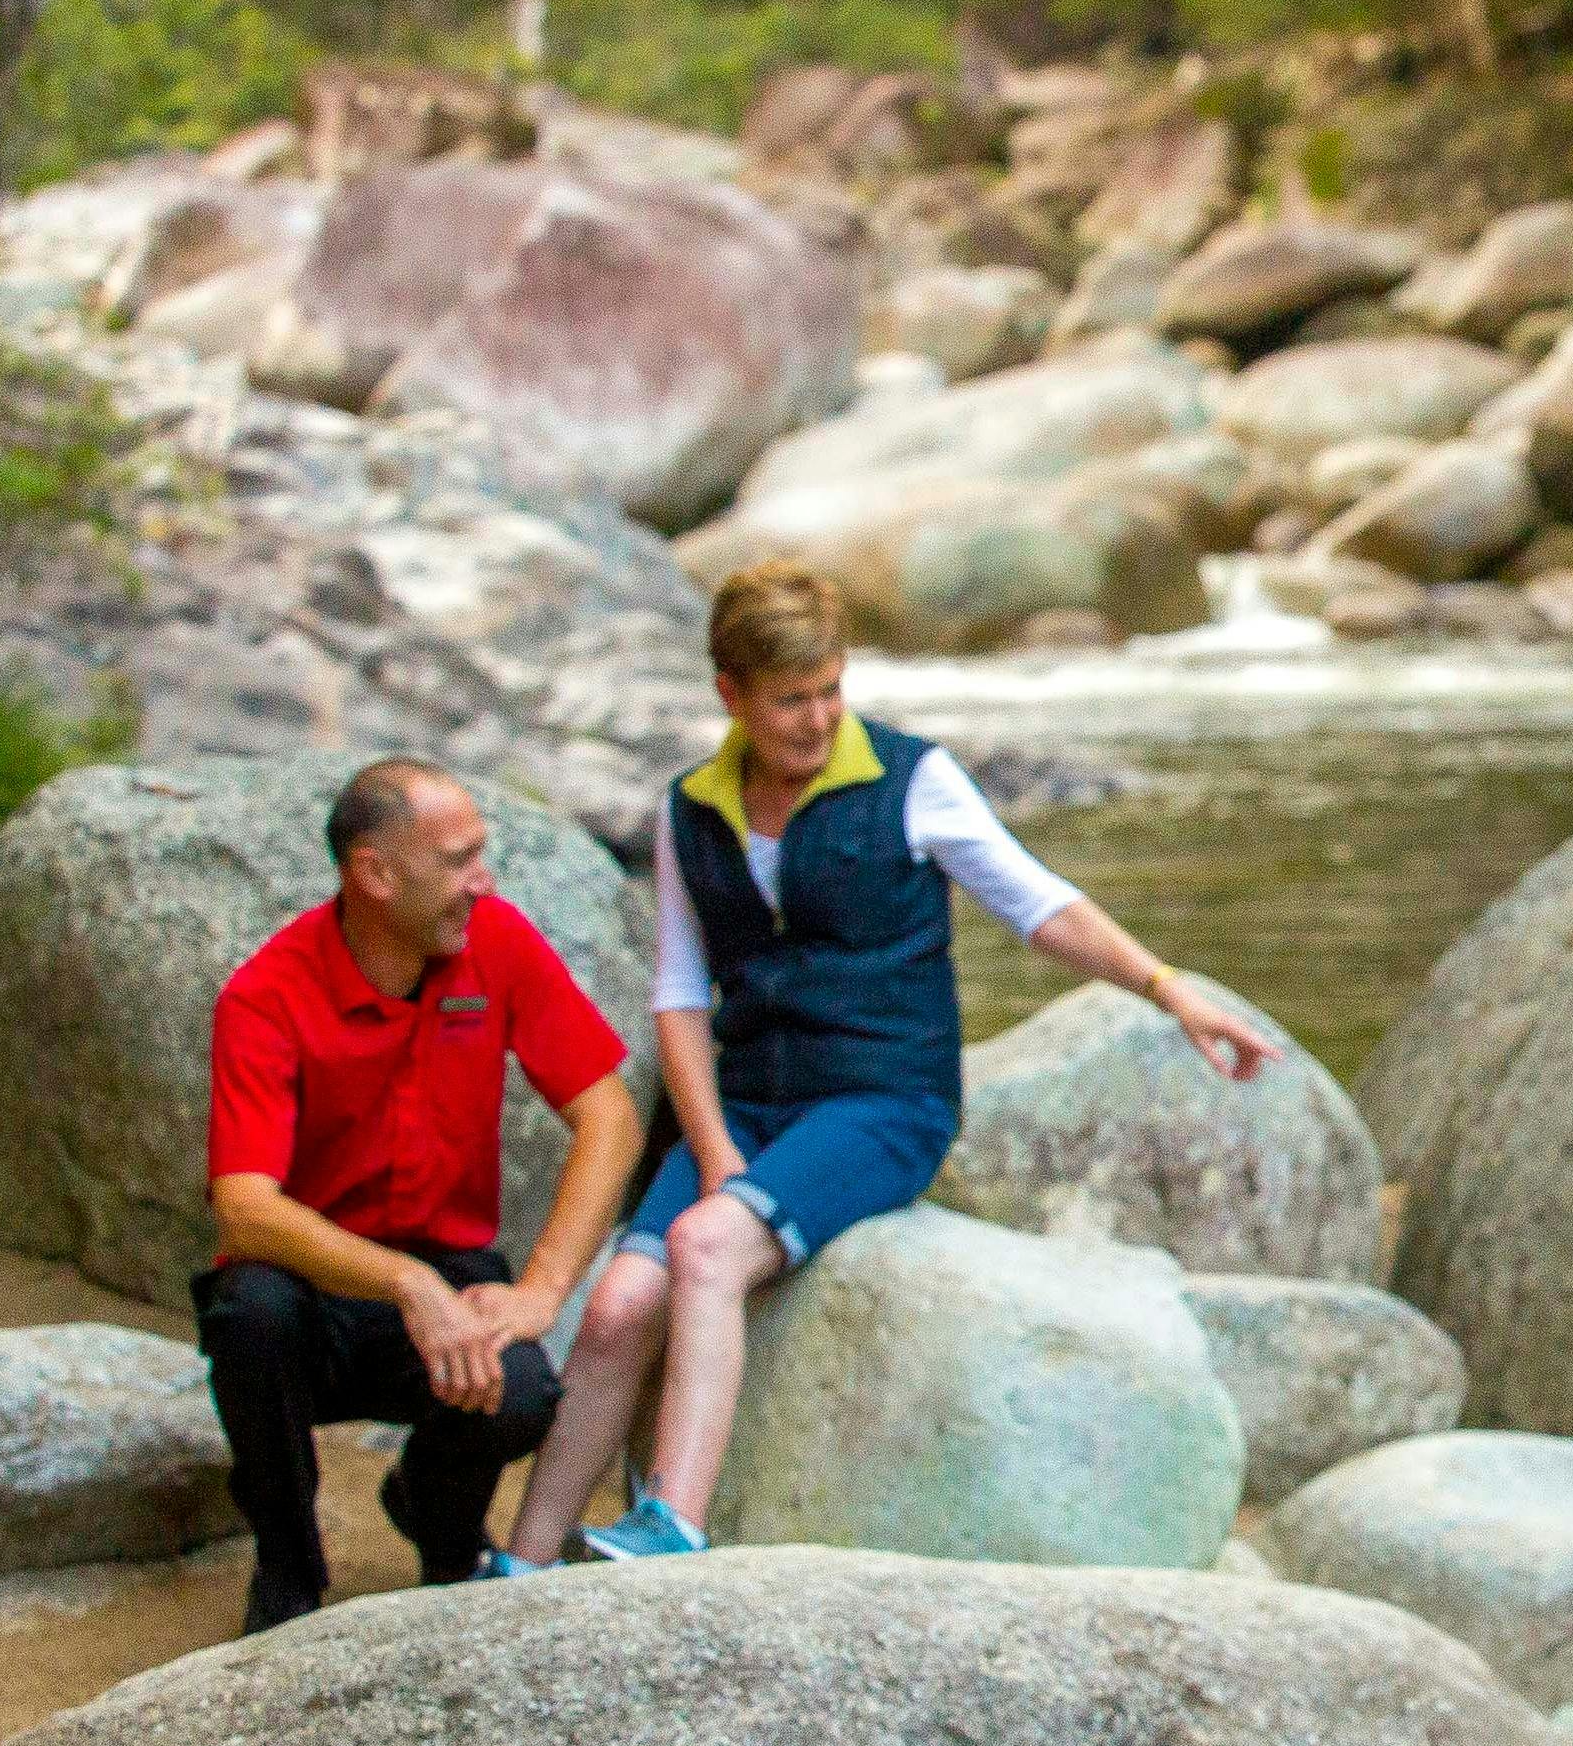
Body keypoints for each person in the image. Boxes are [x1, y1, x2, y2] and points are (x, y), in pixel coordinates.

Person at [498, 560, 1283, 1567]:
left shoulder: (913, 781)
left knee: (706, 1249)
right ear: (730, 696)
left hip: (882, 1100)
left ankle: (674, 1527)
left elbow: (1039, 904)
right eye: (791, 700)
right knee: (615, 1304)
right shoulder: (690, 811)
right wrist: (711, 1142)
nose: (819, 717)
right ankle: (519, 1561)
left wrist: (1165, 986)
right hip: (747, 1105)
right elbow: (681, 994)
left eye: (831, 689)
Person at [197, 757, 644, 1633]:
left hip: (452, 1267)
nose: (483, 882)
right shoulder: (264, 994)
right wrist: (406, 1284)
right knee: (249, 1316)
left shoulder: (498, 942)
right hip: (313, 1285)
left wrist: (541, 1291)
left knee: (519, 1390)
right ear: (374, 873)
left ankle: (439, 1527)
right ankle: (287, 1566)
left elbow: (611, 1119)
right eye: (458, 860)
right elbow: (244, 1206)